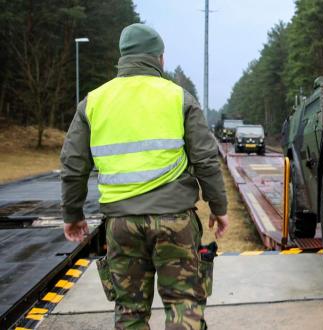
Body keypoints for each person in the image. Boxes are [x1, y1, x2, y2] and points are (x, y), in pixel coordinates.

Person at [60, 23, 228, 329]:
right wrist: (219, 208)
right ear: (159, 59)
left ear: (123, 58)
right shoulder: (179, 98)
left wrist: (72, 213)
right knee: (184, 305)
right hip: (175, 220)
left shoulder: (94, 101)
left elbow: (73, 163)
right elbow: (206, 159)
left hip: (121, 225)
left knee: (130, 311)